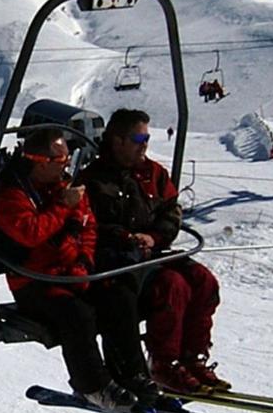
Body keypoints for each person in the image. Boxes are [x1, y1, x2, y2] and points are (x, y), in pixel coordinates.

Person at [80, 108, 227, 394]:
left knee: (202, 280)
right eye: (138, 138)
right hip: (118, 262)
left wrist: (155, 236)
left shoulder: (153, 173)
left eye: (147, 137)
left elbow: (171, 210)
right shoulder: (95, 179)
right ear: (117, 140)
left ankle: (192, 357)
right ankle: (164, 362)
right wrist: (127, 237)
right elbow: (88, 225)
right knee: (172, 286)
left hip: (152, 252)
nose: (144, 144)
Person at [0, 128, 143, 410]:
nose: (66, 167)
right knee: (78, 314)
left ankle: (132, 373)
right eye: (61, 161)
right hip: (34, 281)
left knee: (120, 295)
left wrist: (85, 260)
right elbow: (31, 233)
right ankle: (92, 386)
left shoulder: (63, 186)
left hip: (70, 272)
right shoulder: (12, 194)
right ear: (41, 162)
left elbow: (87, 225)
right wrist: (63, 207)